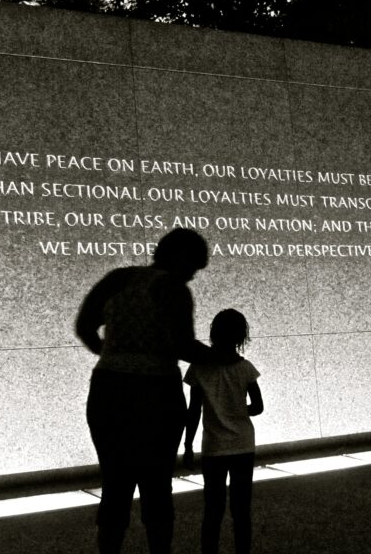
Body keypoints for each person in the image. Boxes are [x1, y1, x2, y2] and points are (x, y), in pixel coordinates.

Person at [75, 228, 213, 554]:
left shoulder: (118, 279)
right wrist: (220, 357)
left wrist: (112, 354)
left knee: (115, 485)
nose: (193, 275)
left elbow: (84, 326)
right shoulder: (174, 289)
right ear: (182, 258)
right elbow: (181, 345)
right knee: (156, 487)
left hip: (108, 389)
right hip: (156, 394)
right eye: (194, 266)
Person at [183, 309, 264, 554]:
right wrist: (239, 410)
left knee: (213, 510)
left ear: (213, 334)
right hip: (243, 444)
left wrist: (187, 447)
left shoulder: (198, 368)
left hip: (214, 447)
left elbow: (193, 411)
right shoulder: (246, 368)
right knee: (241, 510)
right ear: (241, 337)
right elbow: (258, 407)